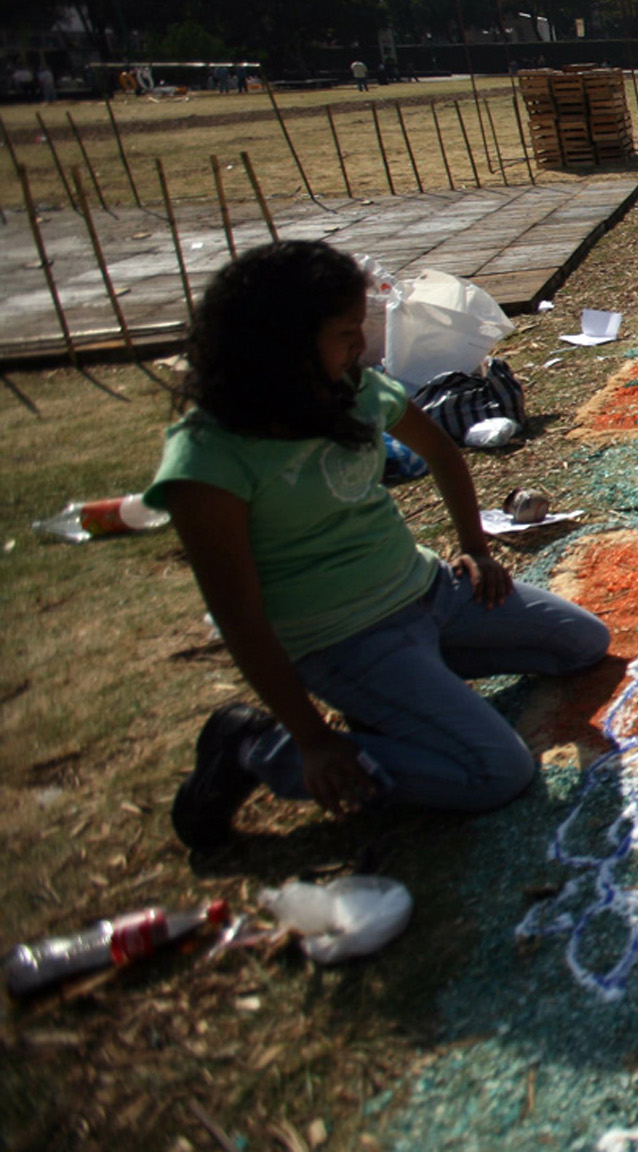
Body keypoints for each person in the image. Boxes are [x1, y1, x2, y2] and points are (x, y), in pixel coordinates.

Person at [152, 242, 610, 852]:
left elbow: (442, 452)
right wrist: (310, 738)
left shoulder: (350, 388)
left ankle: (405, 697)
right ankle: (256, 749)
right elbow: (239, 617)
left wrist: (475, 548)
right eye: (346, 334)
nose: (361, 347)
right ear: (281, 343)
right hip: (346, 640)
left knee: (583, 642)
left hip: (428, 593)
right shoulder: (209, 457)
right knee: (496, 773)